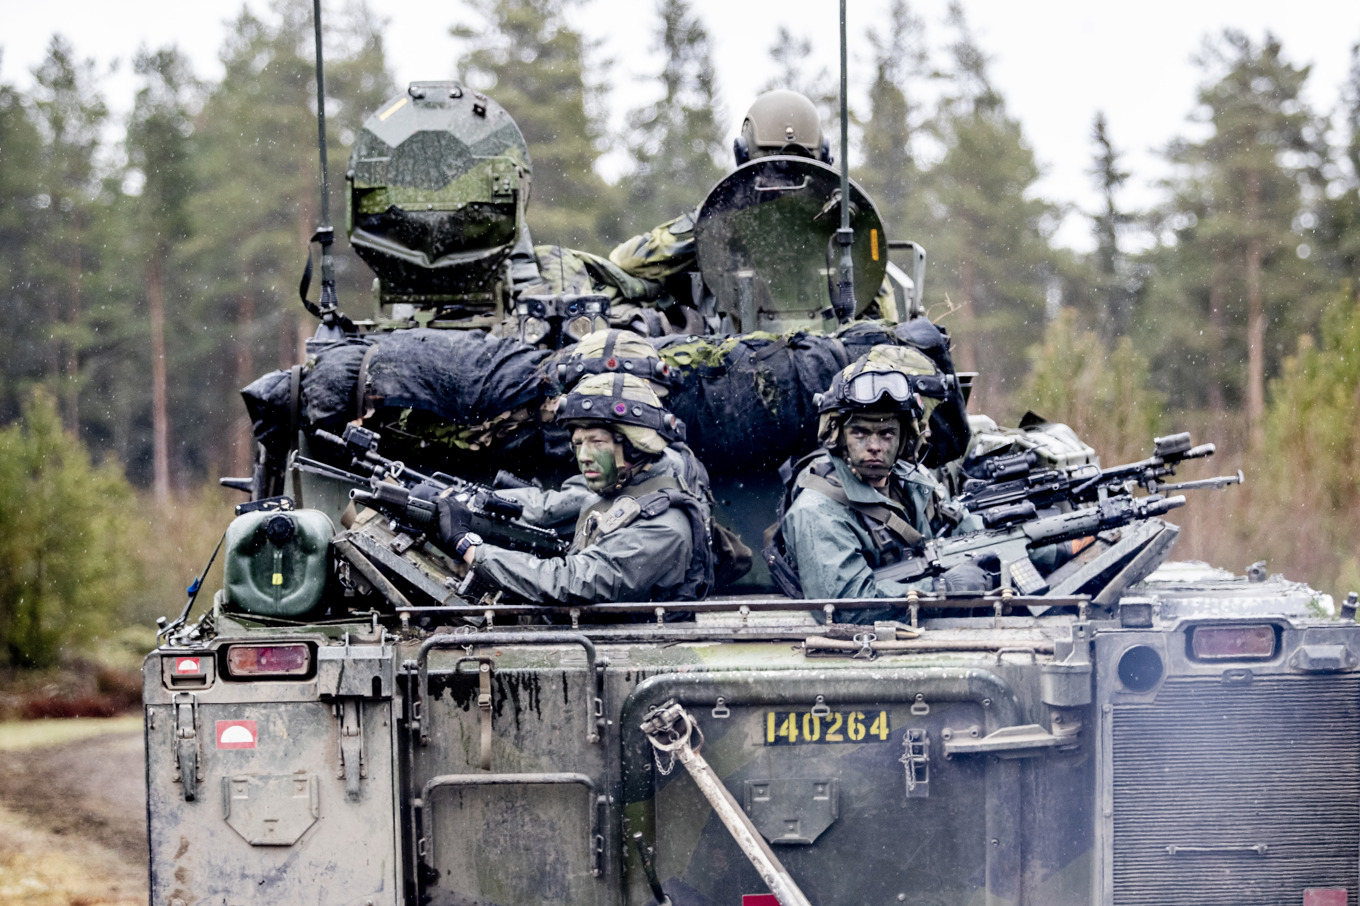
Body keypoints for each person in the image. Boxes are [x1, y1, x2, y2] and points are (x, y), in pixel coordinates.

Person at [436, 372, 714, 605]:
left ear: (634, 444)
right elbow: (549, 506)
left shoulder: (664, 527)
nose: (584, 456)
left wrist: (472, 549)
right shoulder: (620, 490)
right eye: (578, 443)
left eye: (597, 442)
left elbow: (574, 582)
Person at [768, 346, 988, 612]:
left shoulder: (913, 482)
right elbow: (848, 604)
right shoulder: (817, 512)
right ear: (839, 437)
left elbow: (967, 530)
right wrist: (941, 590)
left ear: (905, 439)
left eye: (886, 434)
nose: (874, 445)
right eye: (860, 433)